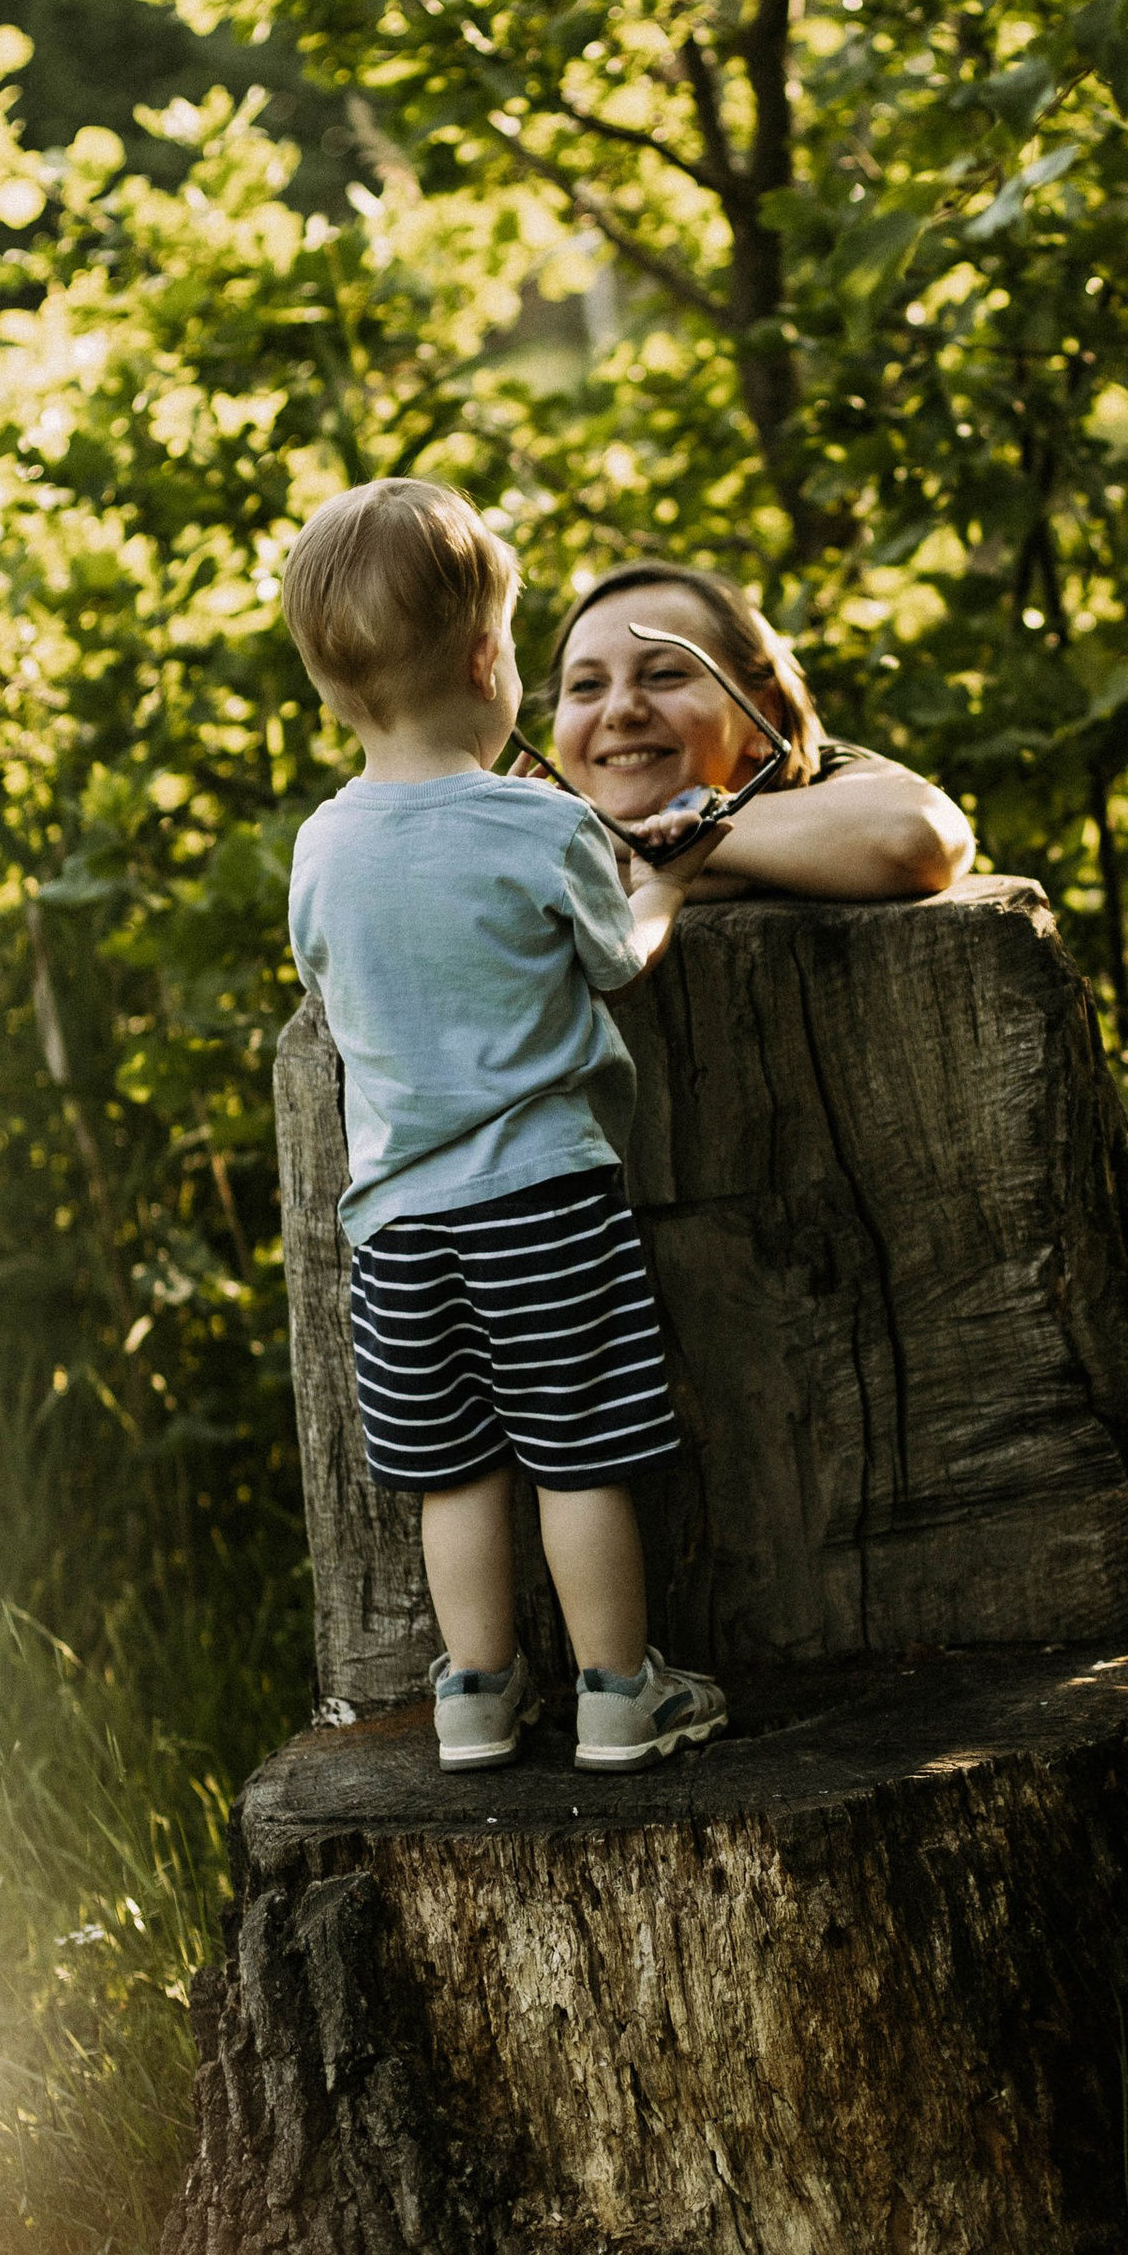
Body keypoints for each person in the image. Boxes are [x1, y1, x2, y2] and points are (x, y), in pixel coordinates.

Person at [281, 477, 728, 1777]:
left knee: (457, 1471)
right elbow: (618, 962)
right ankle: (616, 1695)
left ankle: (474, 1697)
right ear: (491, 661)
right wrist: (667, 884)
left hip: (398, 1231)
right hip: (542, 1201)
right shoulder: (539, 825)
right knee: (580, 1455)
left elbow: (332, 987)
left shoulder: (322, 849)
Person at [541, 562, 975, 899]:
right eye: (586, 685)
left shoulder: (838, 772)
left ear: (762, 713)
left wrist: (615, 840)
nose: (620, 711)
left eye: (664, 675)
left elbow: (913, 837)